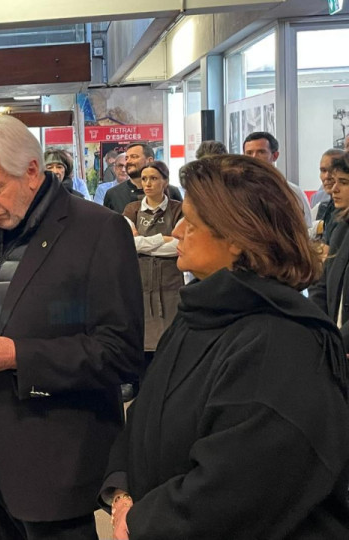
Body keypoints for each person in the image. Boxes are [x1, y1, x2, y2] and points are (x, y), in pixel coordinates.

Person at [106, 154, 349, 539]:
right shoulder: (200, 311)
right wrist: (121, 490)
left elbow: (238, 488)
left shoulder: (279, 343)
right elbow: (147, 409)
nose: (177, 231)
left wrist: (141, 521)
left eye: (191, 223)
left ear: (237, 238)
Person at [0, 115, 144, 539]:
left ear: (32, 171)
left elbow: (120, 352)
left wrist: (19, 356)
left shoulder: (98, 230)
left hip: (51, 458)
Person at [121, 162, 183, 361]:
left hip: (171, 284)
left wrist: (142, 242)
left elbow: (179, 246)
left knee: (171, 345)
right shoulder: (132, 209)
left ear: (165, 181)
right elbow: (126, 243)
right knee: (142, 344)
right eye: (144, 179)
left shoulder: (178, 209)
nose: (147, 183)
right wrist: (162, 239)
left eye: (154, 178)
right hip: (140, 283)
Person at [311, 152, 349, 342]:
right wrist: (321, 330)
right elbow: (321, 284)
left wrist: (340, 342)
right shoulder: (341, 228)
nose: (334, 189)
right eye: (335, 181)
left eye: (344, 182)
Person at [242, 131, 313, 227]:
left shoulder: (292, 192)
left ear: (275, 155)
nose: (254, 157)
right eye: (249, 153)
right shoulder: (236, 190)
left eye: (261, 152)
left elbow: (306, 228)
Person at [104, 142, 182, 213]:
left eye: (134, 157)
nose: (128, 161)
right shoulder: (113, 194)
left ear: (150, 160)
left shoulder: (171, 191)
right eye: (127, 158)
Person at [310, 149, 345, 243]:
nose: (327, 176)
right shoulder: (328, 206)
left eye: (332, 170)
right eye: (323, 170)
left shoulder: (344, 212)